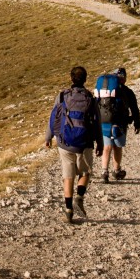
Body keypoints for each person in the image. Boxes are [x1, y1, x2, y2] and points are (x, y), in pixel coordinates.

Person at [45, 65, 103, 223]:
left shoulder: (63, 96)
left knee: (68, 176)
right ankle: (79, 196)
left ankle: (68, 210)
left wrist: (48, 137)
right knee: (85, 173)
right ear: (85, 79)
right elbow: (97, 122)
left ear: (71, 78)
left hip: (65, 143)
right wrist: (100, 143)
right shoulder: (90, 98)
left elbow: (54, 117)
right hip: (85, 143)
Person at [98, 66, 140, 182]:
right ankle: (117, 171)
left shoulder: (104, 91)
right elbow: (134, 109)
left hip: (104, 122)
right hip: (120, 123)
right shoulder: (128, 92)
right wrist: (137, 123)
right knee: (117, 147)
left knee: (107, 147)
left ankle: (104, 172)